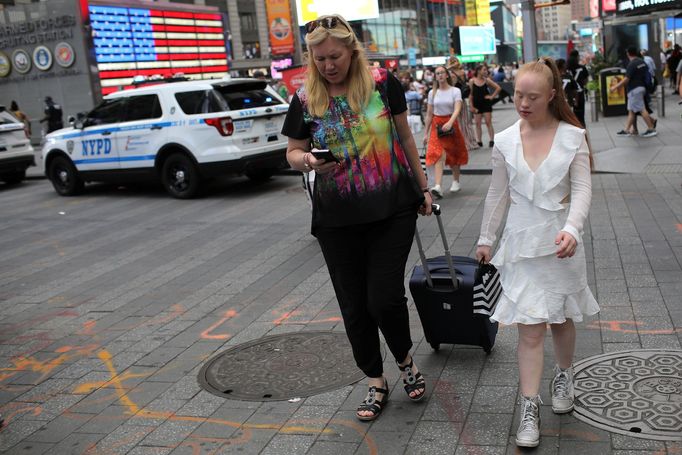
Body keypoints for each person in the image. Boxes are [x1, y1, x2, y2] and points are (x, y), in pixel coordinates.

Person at [281, 14, 432, 422]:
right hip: (336, 218)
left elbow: (404, 137)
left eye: (335, 56)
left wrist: (425, 188)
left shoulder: (383, 83)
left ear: (352, 51)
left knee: (382, 297)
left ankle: (404, 361)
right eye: (319, 58)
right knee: (354, 305)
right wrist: (309, 160)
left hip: (392, 206)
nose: (328, 65)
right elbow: (292, 152)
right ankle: (375, 379)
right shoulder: (304, 98)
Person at [476, 57, 599, 448]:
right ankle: (530, 406)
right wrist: (485, 238)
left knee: (561, 319)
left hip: (561, 244)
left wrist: (572, 229)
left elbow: (582, 189)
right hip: (521, 245)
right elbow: (499, 193)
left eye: (532, 96)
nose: (523, 103)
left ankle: (565, 374)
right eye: (517, 95)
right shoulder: (506, 139)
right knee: (529, 329)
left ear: (551, 95)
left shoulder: (572, 136)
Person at [423, 65, 469, 198]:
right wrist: (425, 133)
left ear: (447, 75)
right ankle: (438, 186)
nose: (440, 75)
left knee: (454, 153)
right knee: (437, 153)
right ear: (435, 77)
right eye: (438, 73)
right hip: (436, 125)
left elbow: (457, 108)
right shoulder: (432, 93)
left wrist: (450, 122)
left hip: (451, 123)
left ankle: (456, 181)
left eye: (442, 72)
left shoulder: (455, 91)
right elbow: (429, 113)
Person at [610, 47, 657, 138]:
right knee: (632, 111)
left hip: (634, 89)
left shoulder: (632, 64)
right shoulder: (642, 62)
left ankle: (651, 128)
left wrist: (615, 87)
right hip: (642, 88)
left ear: (628, 53)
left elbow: (626, 79)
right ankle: (628, 130)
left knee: (642, 110)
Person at [448, 61, 479, 151]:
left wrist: (449, 67)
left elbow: (452, 85)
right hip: (461, 99)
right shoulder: (462, 72)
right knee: (465, 122)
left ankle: (465, 143)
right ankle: (471, 141)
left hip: (455, 100)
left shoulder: (453, 75)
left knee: (459, 122)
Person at [469, 64, 501, 147]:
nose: (485, 71)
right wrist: (471, 106)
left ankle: (492, 140)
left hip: (486, 103)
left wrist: (491, 97)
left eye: (486, 70)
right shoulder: (472, 81)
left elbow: (498, 88)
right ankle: (479, 141)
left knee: (488, 122)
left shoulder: (487, 80)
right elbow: (471, 94)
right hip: (476, 104)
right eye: (484, 70)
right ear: (479, 71)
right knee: (477, 123)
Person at [567, 50, 588, 128]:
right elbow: (585, 81)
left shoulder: (566, 69)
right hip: (580, 93)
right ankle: (582, 129)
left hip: (569, 94)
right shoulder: (582, 68)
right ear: (577, 57)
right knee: (580, 115)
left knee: (569, 116)